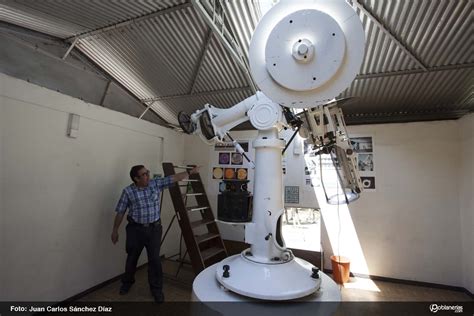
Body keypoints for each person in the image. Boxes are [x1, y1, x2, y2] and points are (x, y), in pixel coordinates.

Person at [111, 165, 199, 303]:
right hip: (136, 230)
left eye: (147, 173)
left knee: (155, 260)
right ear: (136, 178)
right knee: (132, 258)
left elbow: (173, 178)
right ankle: (127, 283)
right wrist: (115, 230)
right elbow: (121, 211)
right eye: (144, 174)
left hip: (154, 230)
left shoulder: (155, 184)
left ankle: (156, 290)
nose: (148, 175)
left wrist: (189, 172)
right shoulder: (128, 192)